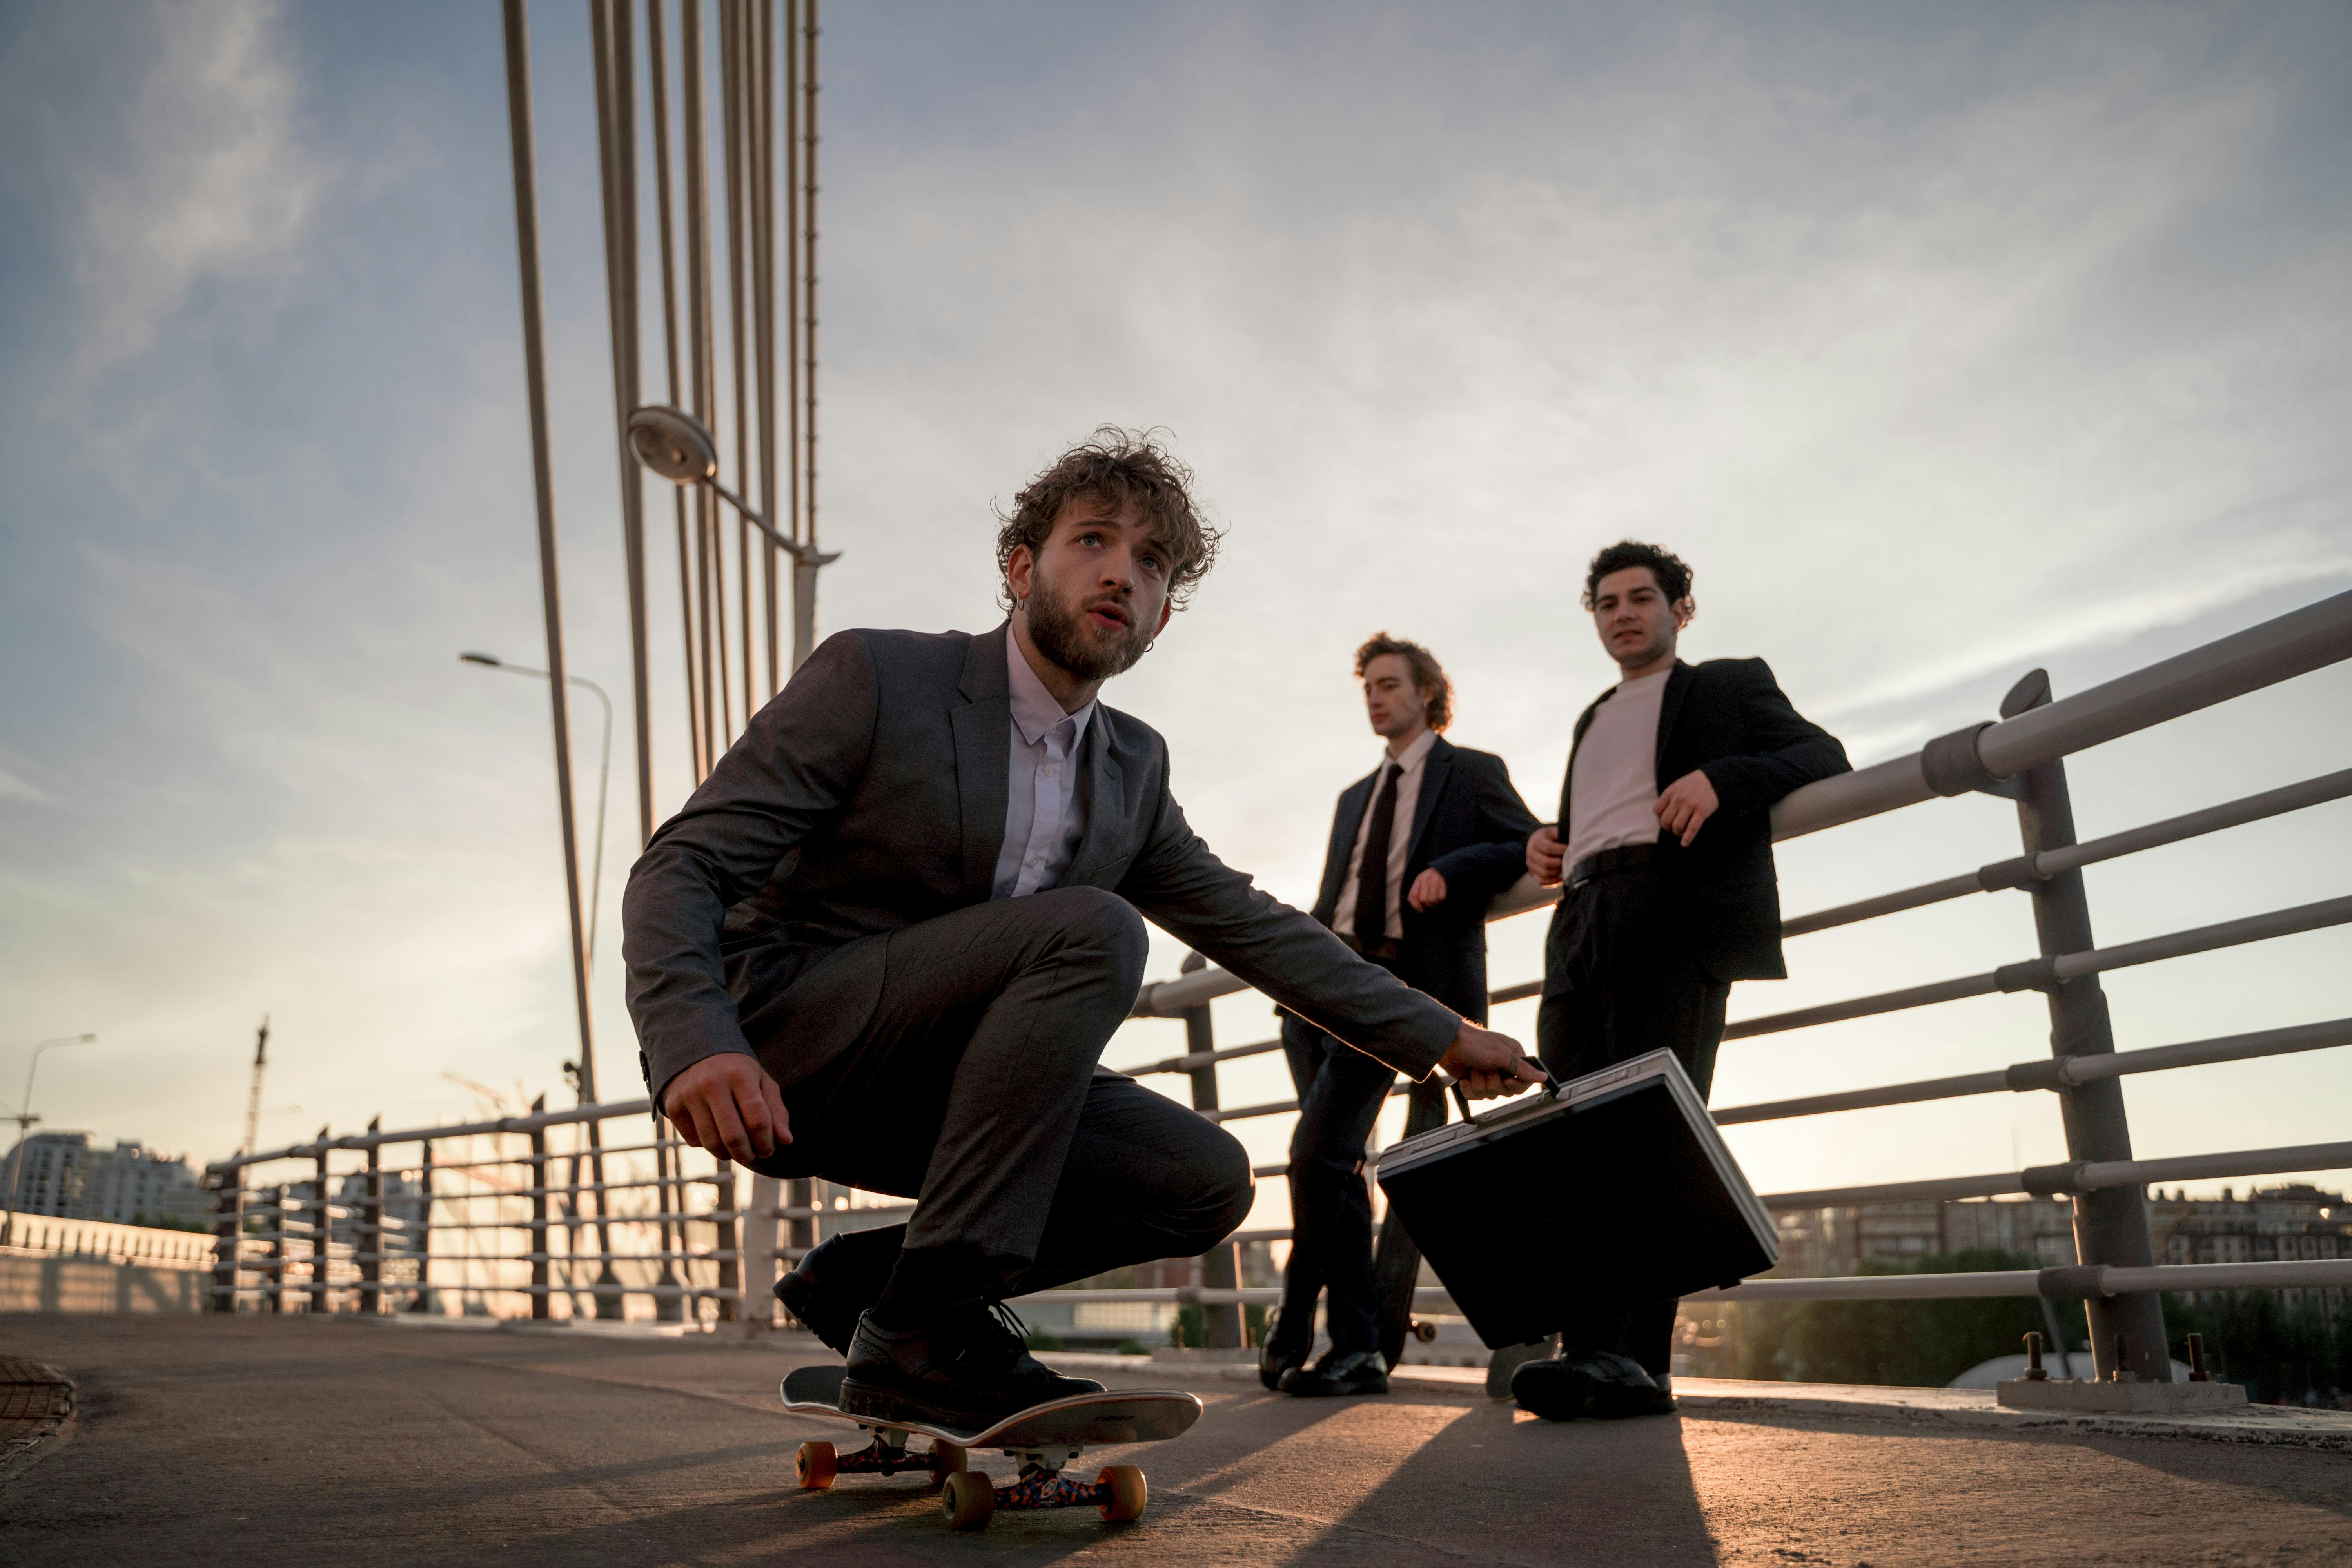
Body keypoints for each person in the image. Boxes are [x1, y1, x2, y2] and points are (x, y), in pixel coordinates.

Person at [622, 428, 1543, 1431]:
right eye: (1093, 540)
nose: (1123, 573)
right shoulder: (879, 678)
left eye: (1152, 563)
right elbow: (685, 864)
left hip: (963, 1097)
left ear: (1160, 614)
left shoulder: (1131, 771)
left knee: (1204, 1180)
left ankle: (875, 1285)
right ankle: (926, 1331)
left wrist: (1446, 1037)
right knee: (1094, 928)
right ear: (1021, 566)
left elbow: (1255, 925)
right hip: (794, 1049)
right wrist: (695, 1042)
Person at [1504, 540, 1849, 1422]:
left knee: (1651, 1133)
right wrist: (1553, 842)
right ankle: (1590, 1352)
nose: (1624, 612)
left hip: (1670, 909)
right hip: (1578, 916)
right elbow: (1602, 809)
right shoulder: (1591, 715)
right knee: (1572, 1135)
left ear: (1679, 610)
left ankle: (1634, 1363)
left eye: (1642, 598)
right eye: (1608, 602)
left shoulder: (1727, 685)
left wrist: (1725, 778)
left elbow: (1824, 755)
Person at [1264, 634, 1539, 1397]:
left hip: (1398, 995)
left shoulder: (1472, 771)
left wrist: (1452, 869)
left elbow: (1528, 843)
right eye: (1369, 688)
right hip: (1322, 995)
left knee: (1318, 1158)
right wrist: (1290, 982)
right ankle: (1317, 1334)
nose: (1377, 697)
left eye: (1390, 684)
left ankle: (1344, 1342)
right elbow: (1332, 899)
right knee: (1332, 1166)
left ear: (1427, 692)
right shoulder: (1354, 796)